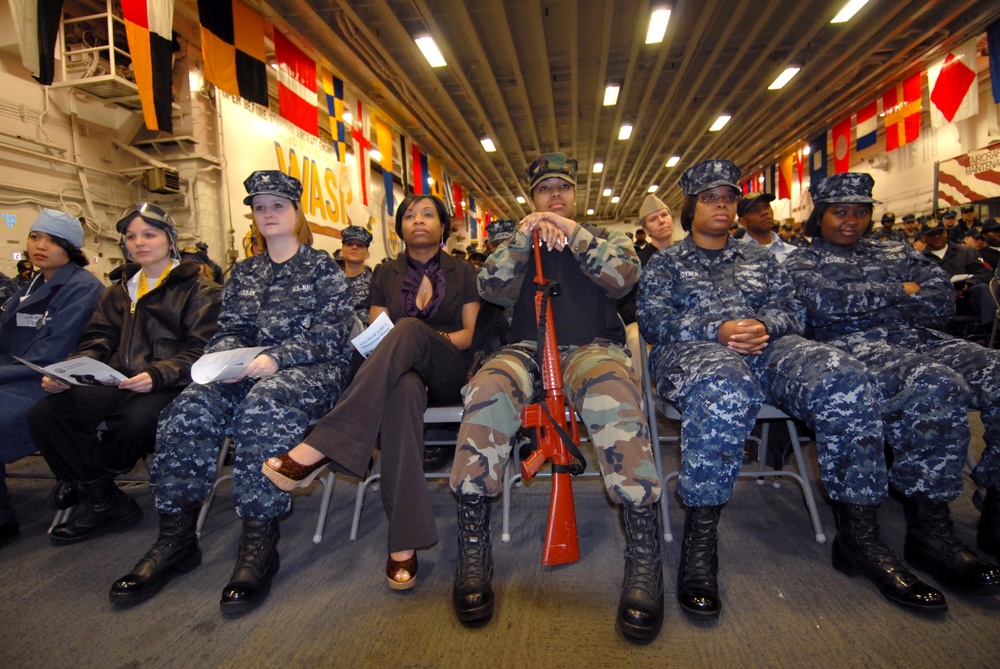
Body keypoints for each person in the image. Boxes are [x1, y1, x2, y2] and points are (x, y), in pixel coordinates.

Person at [637, 160, 950, 622]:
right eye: (710, 198)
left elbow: (793, 311)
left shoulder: (761, 259)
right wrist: (717, 328)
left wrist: (762, 324)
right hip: (694, 352)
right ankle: (700, 547)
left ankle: (859, 538)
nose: (722, 205)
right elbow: (653, 321)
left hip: (768, 348)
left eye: (729, 198)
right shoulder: (666, 263)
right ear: (691, 207)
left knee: (843, 374)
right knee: (725, 387)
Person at [108, 171, 354, 614]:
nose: (267, 214)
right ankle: (176, 538)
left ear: (296, 213)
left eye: (277, 205)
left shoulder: (322, 269)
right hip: (247, 368)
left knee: (265, 406)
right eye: (260, 207)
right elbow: (231, 328)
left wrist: (278, 358)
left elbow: (334, 334)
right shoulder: (244, 273)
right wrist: (222, 362)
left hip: (311, 370)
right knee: (188, 409)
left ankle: (259, 540)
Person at [449, 153, 663, 644]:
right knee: (486, 387)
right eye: (545, 191)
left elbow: (623, 278)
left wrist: (572, 232)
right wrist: (524, 240)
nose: (555, 196)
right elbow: (492, 289)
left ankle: (644, 556)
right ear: (531, 198)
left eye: (563, 189)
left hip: (591, 348)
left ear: (575, 195)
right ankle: (475, 545)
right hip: (526, 348)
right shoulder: (514, 244)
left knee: (614, 394)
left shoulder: (610, 239)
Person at [783, 172, 1000, 594]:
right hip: (856, 347)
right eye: (840, 212)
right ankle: (930, 532)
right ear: (820, 216)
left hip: (921, 339)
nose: (852, 220)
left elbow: (940, 303)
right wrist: (902, 289)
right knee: (936, 383)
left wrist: (876, 295)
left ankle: (995, 509)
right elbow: (826, 308)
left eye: (861, 211)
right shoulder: (803, 260)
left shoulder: (894, 248)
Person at [261, 194, 480, 591]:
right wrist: (405, 341)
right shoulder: (385, 272)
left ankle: (323, 444)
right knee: (404, 395)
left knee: (410, 329)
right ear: (398, 228)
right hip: (400, 372)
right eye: (409, 215)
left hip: (449, 368)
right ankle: (403, 544)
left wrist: (424, 336)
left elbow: (466, 336)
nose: (418, 221)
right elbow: (380, 335)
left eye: (428, 214)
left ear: (443, 225)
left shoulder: (464, 271)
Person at [26, 203, 222, 545]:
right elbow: (96, 340)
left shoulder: (201, 291)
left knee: (133, 420)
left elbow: (202, 349)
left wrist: (158, 374)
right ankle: (106, 498)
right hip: (117, 379)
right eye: (131, 236)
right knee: (46, 412)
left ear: (170, 240)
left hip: (171, 382)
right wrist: (69, 373)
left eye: (149, 234)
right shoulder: (117, 292)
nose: (139, 243)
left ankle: (89, 481)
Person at [0, 210, 104, 548]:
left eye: (52, 241)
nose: (40, 246)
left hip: (45, 383)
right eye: (34, 237)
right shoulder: (30, 286)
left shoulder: (83, 289)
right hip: (13, 377)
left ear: (71, 248)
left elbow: (51, 354)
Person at [918, 218, 994, 334]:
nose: (937, 237)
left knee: (982, 288)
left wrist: (968, 285)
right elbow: (915, 285)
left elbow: (985, 273)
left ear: (946, 233)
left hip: (966, 298)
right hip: (937, 303)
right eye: (932, 234)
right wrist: (947, 292)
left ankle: (993, 330)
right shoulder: (918, 261)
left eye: (940, 233)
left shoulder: (967, 252)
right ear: (923, 238)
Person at [737, 192, 797, 263]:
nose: (764, 212)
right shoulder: (735, 255)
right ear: (743, 221)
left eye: (766, 206)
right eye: (755, 210)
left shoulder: (793, 253)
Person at [340, 225, 374, 327]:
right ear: (341, 251)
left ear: (367, 254)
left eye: (360, 245)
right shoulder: (330, 282)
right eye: (349, 244)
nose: (354, 247)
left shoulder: (375, 283)